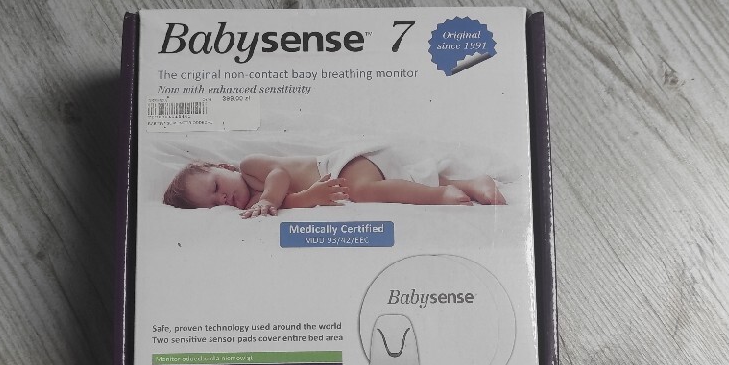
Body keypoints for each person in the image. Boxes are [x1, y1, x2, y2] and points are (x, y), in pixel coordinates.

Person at [163, 149, 506, 218]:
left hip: (342, 164)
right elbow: (291, 202)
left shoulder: (249, 168)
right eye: (213, 203)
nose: (223, 198)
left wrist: (270, 199)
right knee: (398, 183)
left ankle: (438, 195)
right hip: (353, 176)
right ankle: (471, 184)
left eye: (215, 187)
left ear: (223, 167)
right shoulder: (254, 207)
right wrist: (305, 198)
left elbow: (279, 177)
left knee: (363, 191)